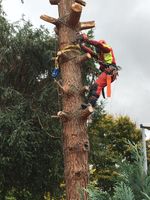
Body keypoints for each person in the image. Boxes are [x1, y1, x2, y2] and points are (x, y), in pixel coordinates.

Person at [79, 33, 120, 109]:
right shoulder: (100, 55)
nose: (97, 50)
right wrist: (81, 46)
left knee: (97, 86)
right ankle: (90, 103)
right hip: (108, 73)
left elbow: (98, 45)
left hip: (110, 72)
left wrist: (87, 40)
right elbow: (91, 52)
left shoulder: (107, 49)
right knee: (94, 87)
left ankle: (91, 104)